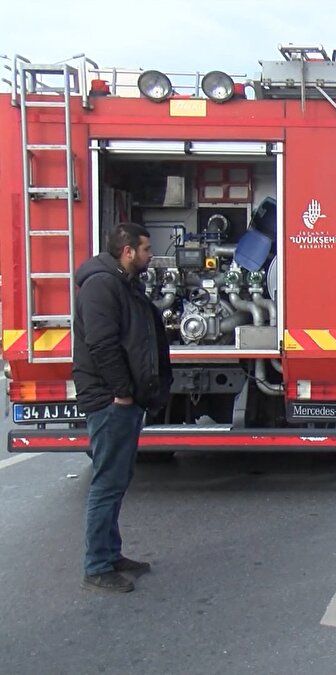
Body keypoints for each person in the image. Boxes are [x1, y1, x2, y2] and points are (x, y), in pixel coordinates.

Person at [73, 222, 172, 593]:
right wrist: (122, 393)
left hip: (122, 399)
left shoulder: (122, 283)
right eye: (146, 249)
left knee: (116, 481)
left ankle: (110, 554)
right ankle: (97, 565)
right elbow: (102, 345)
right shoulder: (102, 285)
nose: (150, 255)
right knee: (107, 484)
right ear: (128, 251)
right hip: (110, 400)